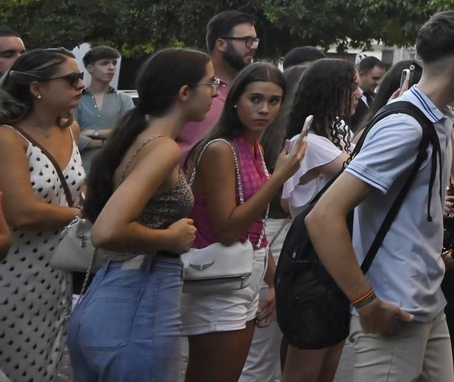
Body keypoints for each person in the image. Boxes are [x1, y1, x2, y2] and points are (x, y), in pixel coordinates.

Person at [306, 11, 454, 382]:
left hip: (425, 302)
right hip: (394, 308)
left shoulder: (432, 119)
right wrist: (366, 302)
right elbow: (322, 216)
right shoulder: (405, 125)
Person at [67, 49, 212, 381]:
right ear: (184, 92)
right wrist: (170, 238)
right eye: (211, 83)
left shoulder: (134, 136)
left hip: (107, 294)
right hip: (136, 301)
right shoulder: (162, 147)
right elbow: (106, 230)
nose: (216, 92)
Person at [181, 62, 308, 382]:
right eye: (255, 99)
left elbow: (256, 227)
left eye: (274, 101)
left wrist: (274, 280)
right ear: (236, 99)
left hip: (245, 271)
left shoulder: (255, 146)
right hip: (218, 279)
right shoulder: (221, 149)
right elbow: (228, 227)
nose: (264, 109)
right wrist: (279, 176)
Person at [0, 48, 88, 382]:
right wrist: (84, 214)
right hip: (15, 274)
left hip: (58, 272)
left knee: (47, 365)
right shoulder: (8, 136)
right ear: (37, 87)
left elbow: (75, 187)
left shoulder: (71, 130)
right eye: (71, 78)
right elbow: (21, 212)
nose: (80, 84)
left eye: (80, 76)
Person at [278, 57, 362, 382]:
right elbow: (361, 172)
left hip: (315, 260)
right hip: (316, 264)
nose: (358, 93)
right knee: (310, 369)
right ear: (332, 91)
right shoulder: (313, 144)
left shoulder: (313, 140)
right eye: (352, 87)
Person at [176, 11, 260, 154]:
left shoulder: (250, 90)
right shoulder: (192, 88)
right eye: (246, 40)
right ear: (221, 44)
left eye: (255, 40)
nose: (253, 47)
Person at [77, 45, 133, 172]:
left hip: (115, 169)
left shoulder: (124, 99)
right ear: (90, 68)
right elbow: (69, 136)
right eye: (104, 63)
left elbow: (129, 131)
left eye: (114, 63)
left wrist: (91, 133)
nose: (111, 67)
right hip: (81, 170)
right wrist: (106, 143)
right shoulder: (77, 100)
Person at [354, 56, 387, 125]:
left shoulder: (377, 98)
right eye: (375, 78)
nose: (378, 82)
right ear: (361, 74)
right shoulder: (350, 100)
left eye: (381, 79)